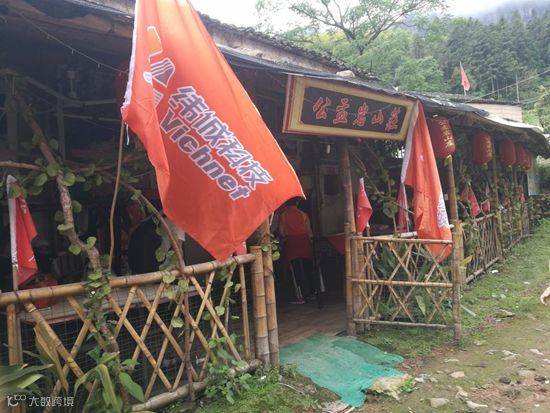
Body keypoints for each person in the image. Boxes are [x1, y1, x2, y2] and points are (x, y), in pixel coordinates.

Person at [278, 198, 315, 303]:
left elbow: (281, 232)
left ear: (285, 203)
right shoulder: (304, 214)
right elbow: (309, 232)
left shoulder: (283, 215)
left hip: (292, 243)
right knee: (308, 268)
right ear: (297, 203)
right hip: (305, 242)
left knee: (295, 270)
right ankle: (312, 293)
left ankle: (300, 296)